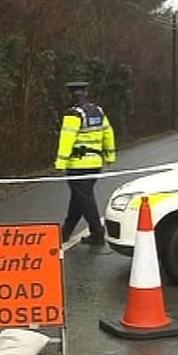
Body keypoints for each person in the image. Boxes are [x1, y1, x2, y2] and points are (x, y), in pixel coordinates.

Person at [55, 81, 116, 245]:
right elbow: (108, 133)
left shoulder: (73, 114)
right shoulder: (97, 111)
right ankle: (65, 232)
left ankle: (97, 232)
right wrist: (109, 156)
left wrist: (61, 163)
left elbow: (66, 139)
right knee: (78, 198)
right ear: (86, 92)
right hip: (95, 163)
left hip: (77, 165)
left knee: (84, 198)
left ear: (71, 95)